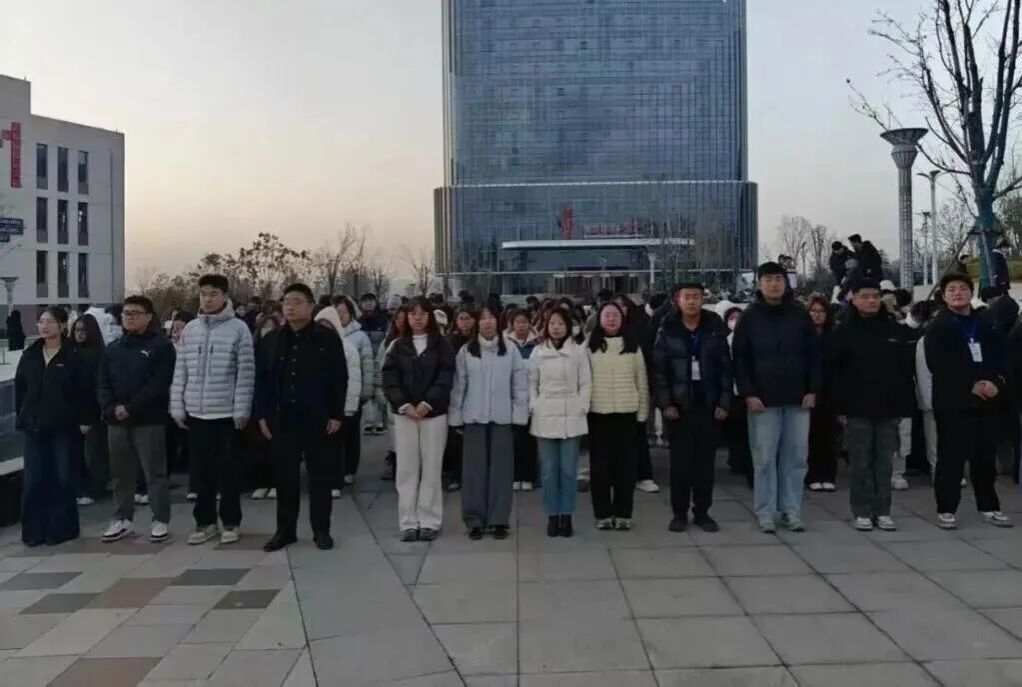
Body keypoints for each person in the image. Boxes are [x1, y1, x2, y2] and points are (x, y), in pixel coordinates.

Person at [254, 283, 348, 552]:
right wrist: (262, 415)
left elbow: (339, 378)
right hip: (282, 418)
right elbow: (261, 381)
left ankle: (321, 530)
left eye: (297, 301)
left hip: (318, 417)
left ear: (310, 306)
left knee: (320, 477)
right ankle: (285, 531)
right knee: (285, 478)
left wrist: (336, 413)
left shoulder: (326, 338)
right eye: (286, 302)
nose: (290, 307)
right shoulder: (271, 340)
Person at [733, 262, 821, 533]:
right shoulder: (750, 317)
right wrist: (748, 393)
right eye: (768, 280)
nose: (774, 284)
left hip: (798, 397)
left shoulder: (799, 315)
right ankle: (766, 511)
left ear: (786, 283)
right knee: (765, 459)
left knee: (796, 458)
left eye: (778, 279)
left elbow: (814, 355)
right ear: (759, 284)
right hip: (762, 400)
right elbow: (740, 359)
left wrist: (812, 389)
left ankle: (791, 510)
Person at [170, 275, 256, 546]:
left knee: (228, 472)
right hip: (197, 413)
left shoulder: (239, 329)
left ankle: (230, 521)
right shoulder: (191, 329)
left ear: (224, 296)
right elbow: (180, 371)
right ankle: (205, 522)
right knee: (201, 472)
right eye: (203, 294)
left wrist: (241, 410)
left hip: (225, 413)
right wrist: (178, 406)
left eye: (213, 294)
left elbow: (245, 373)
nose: (207, 299)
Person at [925, 272, 1012, 529]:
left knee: (985, 456)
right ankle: (946, 508)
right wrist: (969, 385)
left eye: (963, 288)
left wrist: (995, 383)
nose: (958, 293)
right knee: (951, 457)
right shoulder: (939, 326)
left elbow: (1001, 358)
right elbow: (938, 364)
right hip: (953, 401)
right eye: (952, 289)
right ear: (944, 295)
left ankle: (989, 506)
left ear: (971, 293)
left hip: (986, 400)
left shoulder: (985, 322)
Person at [833, 279, 915, 531]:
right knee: (861, 462)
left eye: (875, 296)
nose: (871, 301)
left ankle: (883, 510)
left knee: (884, 462)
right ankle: (862, 510)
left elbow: (905, 370)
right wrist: (839, 407)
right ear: (853, 299)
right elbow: (835, 371)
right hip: (856, 407)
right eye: (865, 296)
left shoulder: (893, 329)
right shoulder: (843, 330)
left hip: (888, 406)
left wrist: (905, 406)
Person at [653, 283, 731, 533]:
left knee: (705, 463)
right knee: (680, 463)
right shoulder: (668, 328)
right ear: (678, 300)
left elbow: (725, 368)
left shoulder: (714, 326)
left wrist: (724, 402)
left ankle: (702, 512)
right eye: (686, 297)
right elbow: (659, 371)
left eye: (696, 297)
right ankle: (679, 513)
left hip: (708, 403)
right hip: (679, 406)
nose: (691, 301)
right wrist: (666, 404)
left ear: (702, 299)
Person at [98, 296, 176, 544]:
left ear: (149, 316)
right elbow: (102, 383)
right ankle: (122, 518)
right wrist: (111, 408)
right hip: (116, 421)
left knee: (154, 472)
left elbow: (159, 384)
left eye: (135, 313)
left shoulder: (160, 346)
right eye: (126, 313)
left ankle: (160, 519)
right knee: (120, 473)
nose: (129, 317)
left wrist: (131, 407)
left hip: (148, 420)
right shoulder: (113, 348)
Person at [449, 304, 528, 540]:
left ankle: (498, 519)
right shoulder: (466, 351)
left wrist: (519, 415)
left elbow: (519, 385)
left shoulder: (510, 350)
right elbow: (459, 386)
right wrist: (456, 416)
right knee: (474, 471)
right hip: (474, 417)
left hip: (502, 418)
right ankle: (474, 519)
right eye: (483, 318)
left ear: (499, 321)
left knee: (502, 471)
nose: (488, 322)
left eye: (492, 317)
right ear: (477, 322)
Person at [16, 307, 91, 546]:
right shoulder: (30, 355)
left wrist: (85, 420)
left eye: (49, 321)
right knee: (34, 480)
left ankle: (62, 529)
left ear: (62, 325)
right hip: (34, 427)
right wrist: (23, 416)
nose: (44, 326)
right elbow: (20, 390)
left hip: (64, 427)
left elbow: (85, 391)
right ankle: (33, 532)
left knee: (63, 478)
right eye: (41, 321)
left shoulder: (73, 355)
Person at [383, 297, 456, 542]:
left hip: (433, 414)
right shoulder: (397, 346)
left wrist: (428, 403)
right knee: (406, 469)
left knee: (432, 467)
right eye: (413, 314)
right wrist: (404, 405)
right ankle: (408, 522)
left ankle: (429, 520)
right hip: (406, 415)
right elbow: (389, 378)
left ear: (430, 317)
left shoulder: (442, 345)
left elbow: (446, 376)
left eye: (422, 314)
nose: (417, 318)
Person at [586, 302, 649, 530]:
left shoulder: (633, 346)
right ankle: (603, 513)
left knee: (626, 468)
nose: (611, 319)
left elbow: (641, 380)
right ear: (599, 319)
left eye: (615, 315)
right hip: (598, 414)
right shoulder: (589, 347)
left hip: (626, 414)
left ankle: (623, 513)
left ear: (622, 319)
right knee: (600, 468)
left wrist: (643, 412)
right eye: (607, 315)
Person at [531, 309, 591, 537]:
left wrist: (581, 405)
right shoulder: (538, 351)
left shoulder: (578, 352)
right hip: (545, 413)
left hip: (571, 414)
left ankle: (566, 516)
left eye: (560, 323)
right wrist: (535, 404)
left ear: (568, 327)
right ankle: (552, 515)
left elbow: (585, 382)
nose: (556, 327)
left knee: (568, 470)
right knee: (548, 471)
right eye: (552, 323)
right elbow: (531, 382)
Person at [314, 304, 362, 499]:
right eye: (320, 324)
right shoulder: (310, 346)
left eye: (328, 325)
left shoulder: (347, 348)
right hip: (316, 407)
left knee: (335, 448)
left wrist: (346, 409)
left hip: (337, 407)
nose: (324, 329)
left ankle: (335, 482)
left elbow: (352, 382)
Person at [615, 294, 660, 495]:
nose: (620, 310)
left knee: (638, 433)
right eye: (616, 307)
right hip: (610, 393)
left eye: (623, 306)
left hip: (635, 390)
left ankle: (643, 475)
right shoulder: (602, 333)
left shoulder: (641, 329)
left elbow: (650, 361)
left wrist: (650, 388)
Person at [333, 296, 375, 484]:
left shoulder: (360, 336)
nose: (340, 316)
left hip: (354, 393)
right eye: (337, 312)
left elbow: (368, 366)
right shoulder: (329, 333)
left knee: (351, 433)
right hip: (334, 394)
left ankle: (350, 468)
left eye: (344, 312)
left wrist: (366, 392)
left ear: (351, 313)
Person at [71, 314, 107, 506]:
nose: (80, 334)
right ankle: (83, 489)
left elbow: (94, 387)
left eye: (84, 330)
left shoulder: (96, 355)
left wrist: (89, 417)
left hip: (92, 412)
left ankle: (94, 490)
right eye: (77, 330)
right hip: (75, 413)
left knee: (93, 454)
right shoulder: (72, 353)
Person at [805, 296, 838, 493]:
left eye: (821, 311)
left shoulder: (833, 336)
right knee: (810, 436)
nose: (817, 315)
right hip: (808, 392)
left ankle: (828, 475)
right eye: (813, 311)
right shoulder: (803, 336)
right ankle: (812, 475)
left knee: (828, 435)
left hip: (829, 391)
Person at [249, 310, 282, 500]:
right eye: (264, 327)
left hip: (277, 405)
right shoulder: (254, 350)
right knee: (259, 447)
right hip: (258, 403)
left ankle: (277, 483)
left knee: (276, 447)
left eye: (271, 327)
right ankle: (262, 483)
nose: (267, 330)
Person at [505, 308, 540, 493]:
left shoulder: (538, 343)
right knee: (514, 440)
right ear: (512, 324)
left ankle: (529, 477)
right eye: (518, 322)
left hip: (532, 396)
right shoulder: (506, 343)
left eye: (524, 322)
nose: (521, 326)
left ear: (529, 324)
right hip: (512, 397)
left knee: (530, 439)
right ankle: (515, 476)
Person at [443, 306, 477, 491]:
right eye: (461, 318)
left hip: (475, 393)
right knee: (454, 437)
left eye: (468, 318)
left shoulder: (478, 340)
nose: (465, 322)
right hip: (455, 392)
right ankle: (455, 474)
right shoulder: (450, 342)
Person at [720, 304, 753, 487]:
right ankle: (736, 460)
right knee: (735, 429)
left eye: (738, 317)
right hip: (731, 391)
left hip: (746, 391)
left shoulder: (750, 338)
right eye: (732, 318)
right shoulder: (724, 339)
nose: (735, 321)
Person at [376, 306, 408, 482]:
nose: (402, 322)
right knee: (394, 432)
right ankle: (394, 463)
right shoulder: (388, 342)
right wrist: (380, 391)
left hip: (411, 396)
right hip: (393, 395)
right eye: (399, 319)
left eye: (405, 318)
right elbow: (380, 367)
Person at [359, 293, 390, 435]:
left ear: (375, 303)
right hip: (364, 361)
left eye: (370, 301)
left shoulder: (383, 321)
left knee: (379, 391)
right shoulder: (358, 322)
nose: (368, 304)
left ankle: (379, 422)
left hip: (379, 360)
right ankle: (368, 422)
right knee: (366, 391)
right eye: (365, 301)